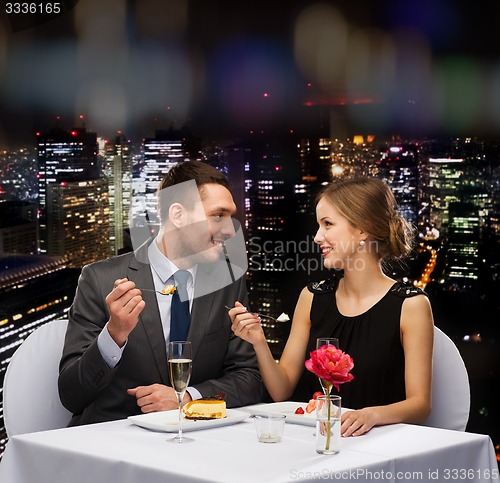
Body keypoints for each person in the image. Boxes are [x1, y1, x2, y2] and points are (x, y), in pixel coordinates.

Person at [59, 160, 264, 426]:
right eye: (218, 216)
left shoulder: (228, 280)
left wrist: (189, 398)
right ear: (178, 215)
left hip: (198, 445)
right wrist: (114, 334)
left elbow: (249, 377)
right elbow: (71, 394)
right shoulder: (99, 279)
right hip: (114, 445)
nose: (229, 229)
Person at [229, 176, 434, 437]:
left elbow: (420, 405)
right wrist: (258, 341)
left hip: (377, 446)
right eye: (318, 225)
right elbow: (282, 391)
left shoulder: (411, 305)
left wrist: (371, 415)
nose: (317, 237)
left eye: (327, 224)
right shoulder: (311, 297)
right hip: (311, 443)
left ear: (363, 229)